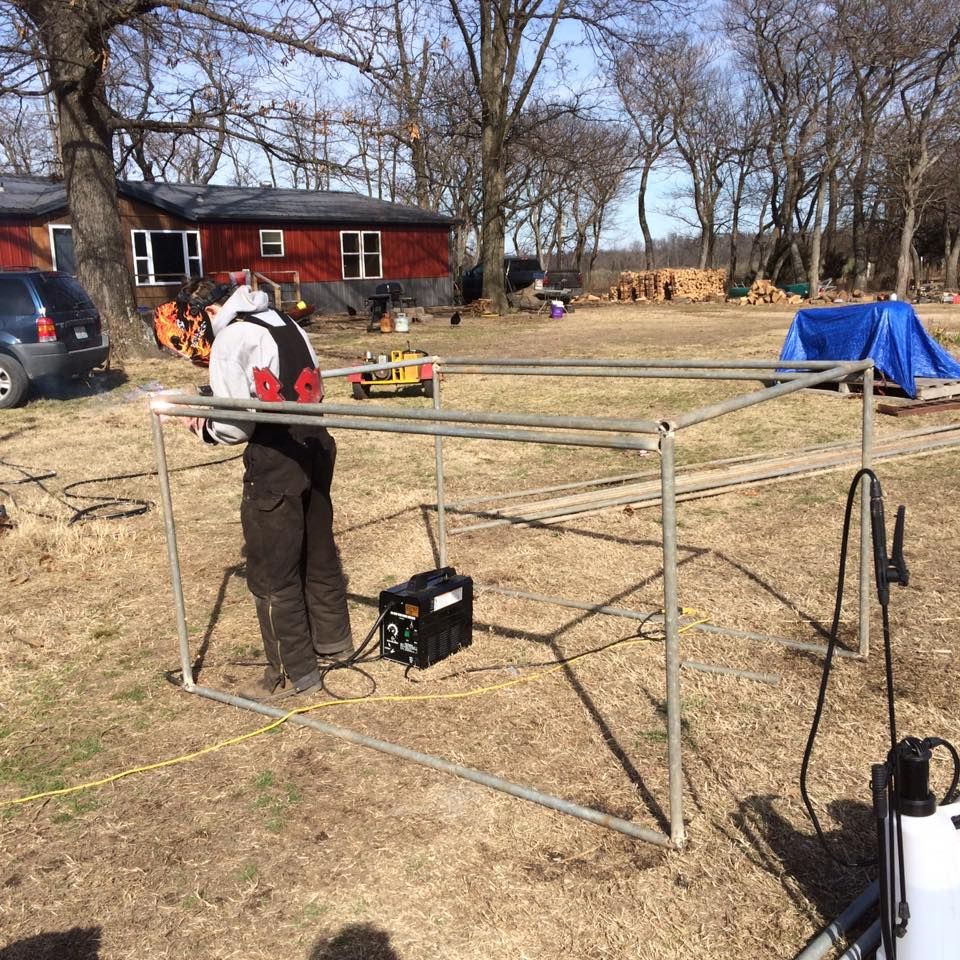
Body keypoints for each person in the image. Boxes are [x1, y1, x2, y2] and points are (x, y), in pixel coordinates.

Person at [177, 278, 353, 702]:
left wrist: (203, 427)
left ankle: (293, 673)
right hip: (315, 443)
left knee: (272, 573)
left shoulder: (231, 337)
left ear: (210, 312)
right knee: (318, 552)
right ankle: (334, 643)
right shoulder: (287, 323)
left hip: (275, 460)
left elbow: (236, 425)